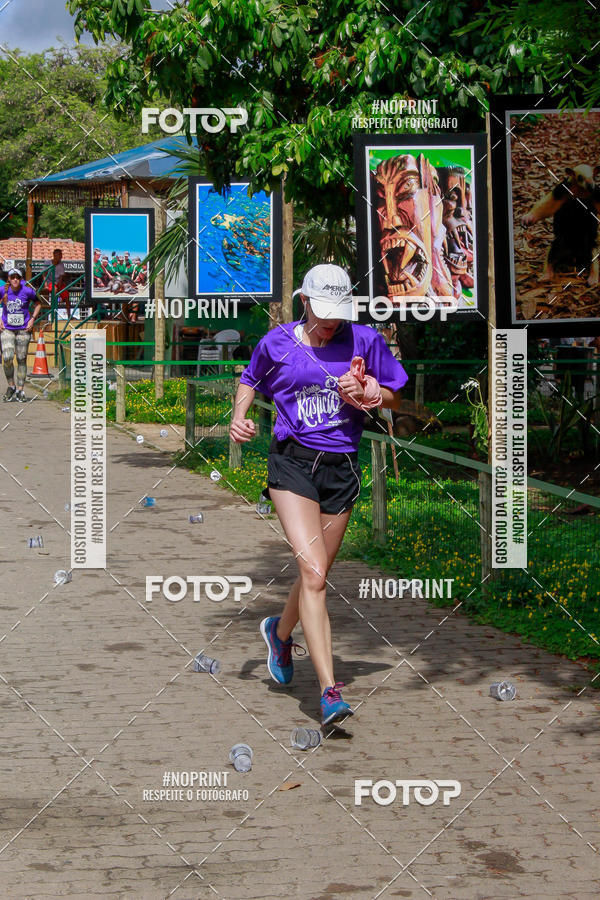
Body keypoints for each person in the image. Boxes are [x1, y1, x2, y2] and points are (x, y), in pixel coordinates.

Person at [231, 264, 408, 725]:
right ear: (303, 302)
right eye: (323, 311)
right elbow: (250, 379)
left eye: (339, 312)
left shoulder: (365, 340)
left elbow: (395, 396)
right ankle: (329, 692)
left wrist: (371, 390)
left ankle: (280, 632)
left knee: (316, 574)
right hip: (291, 464)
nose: (332, 321)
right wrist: (240, 417)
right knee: (313, 574)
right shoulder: (278, 342)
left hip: (342, 467)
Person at [1, 268, 42, 402]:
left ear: (21, 278)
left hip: (23, 329)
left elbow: (38, 303)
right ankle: (11, 386)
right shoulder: (3, 290)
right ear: (9, 279)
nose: (15, 280)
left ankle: (20, 389)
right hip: (7, 328)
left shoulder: (27, 291)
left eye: (17, 277)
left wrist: (33, 318)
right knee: (7, 357)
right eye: (12, 277)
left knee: (21, 358)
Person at [42, 248, 70, 317]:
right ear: (54, 255)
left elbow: (61, 277)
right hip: (50, 282)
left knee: (66, 295)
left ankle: (69, 315)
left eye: (61, 255)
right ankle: (53, 311)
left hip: (58, 283)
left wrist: (60, 287)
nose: (60, 257)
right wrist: (45, 284)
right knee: (54, 290)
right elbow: (44, 274)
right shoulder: (47, 263)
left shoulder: (61, 265)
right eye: (58, 255)